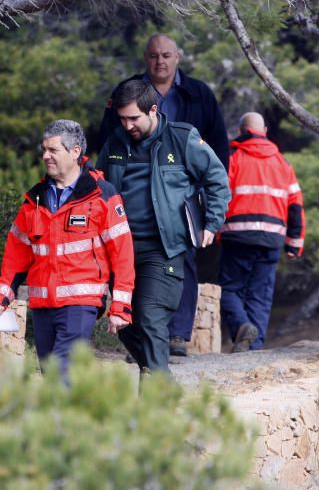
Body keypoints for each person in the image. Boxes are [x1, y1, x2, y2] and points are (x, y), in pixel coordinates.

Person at [98, 33, 229, 357]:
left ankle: (176, 339)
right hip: (126, 233)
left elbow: (217, 162)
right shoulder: (122, 111)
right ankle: (150, 352)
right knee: (133, 306)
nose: (160, 61)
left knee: (163, 294)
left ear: (177, 57)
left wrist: (209, 218)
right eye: (154, 55)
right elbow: (101, 175)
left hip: (176, 214)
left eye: (166, 55)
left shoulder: (197, 97)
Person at [0, 120, 135, 379]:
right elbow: (16, 256)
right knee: (51, 373)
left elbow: (122, 253)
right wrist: (0, 297)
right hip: (43, 304)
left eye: (53, 150)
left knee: (62, 372)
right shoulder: (34, 200)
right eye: (44, 149)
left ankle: (62, 419)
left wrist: (121, 306)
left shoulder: (102, 195)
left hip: (81, 303)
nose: (45, 156)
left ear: (75, 152)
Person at [218, 112, 305, 352]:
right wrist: (294, 242)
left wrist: (212, 229)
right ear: (264, 130)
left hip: (237, 234)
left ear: (241, 131)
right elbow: (295, 204)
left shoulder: (231, 158)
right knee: (260, 294)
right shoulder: (282, 163)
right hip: (272, 238)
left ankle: (242, 326)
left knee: (230, 288)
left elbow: (217, 197)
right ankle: (253, 347)